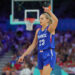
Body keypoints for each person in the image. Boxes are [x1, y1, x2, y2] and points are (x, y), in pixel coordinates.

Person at [18, 6, 58, 75]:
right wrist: (23, 55)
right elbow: (33, 45)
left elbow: (56, 21)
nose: (40, 20)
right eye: (39, 18)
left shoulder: (50, 29)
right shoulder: (38, 31)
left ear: (47, 20)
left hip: (48, 53)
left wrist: (49, 12)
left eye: (42, 18)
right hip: (40, 54)